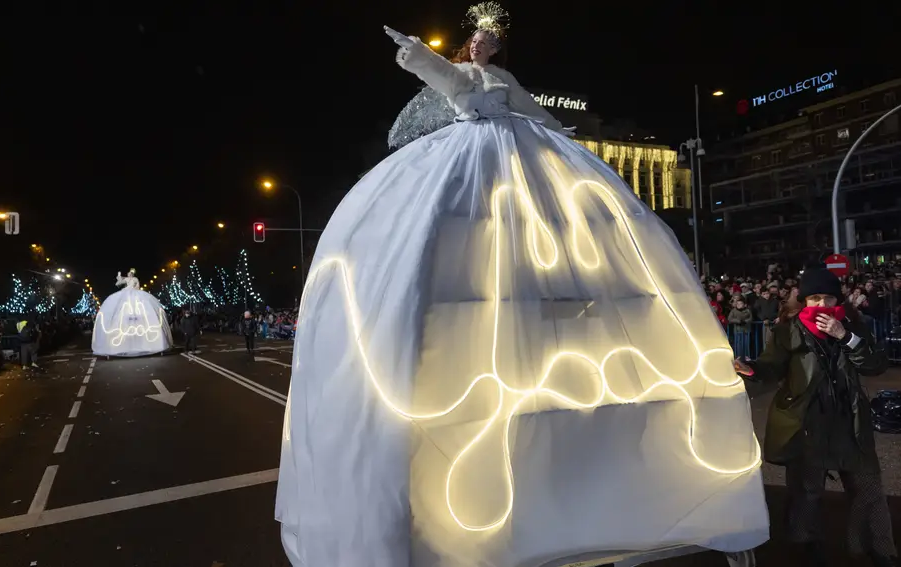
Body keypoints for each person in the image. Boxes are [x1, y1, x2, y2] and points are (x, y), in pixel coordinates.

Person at [276, 4, 768, 566]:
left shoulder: (505, 82)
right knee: (454, 238)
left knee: (556, 234)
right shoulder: (462, 80)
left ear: (496, 48)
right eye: (478, 39)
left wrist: (561, 135)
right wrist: (419, 57)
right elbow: (446, 80)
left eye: (491, 40)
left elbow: (535, 112)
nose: (483, 46)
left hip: (528, 160)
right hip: (470, 164)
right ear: (470, 45)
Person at [735, 267, 897, 567]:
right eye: (814, 298)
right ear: (804, 300)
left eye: (827, 297)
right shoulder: (787, 330)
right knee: (806, 491)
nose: (821, 305)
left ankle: (878, 548)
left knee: (868, 487)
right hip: (807, 422)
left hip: (850, 422)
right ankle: (807, 545)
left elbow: (875, 364)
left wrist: (845, 337)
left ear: (838, 299)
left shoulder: (853, 325)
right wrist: (753, 369)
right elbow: (772, 367)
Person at [92, 269, 173, 357]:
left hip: (134, 292)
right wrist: (119, 276)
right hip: (126, 291)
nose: (129, 274)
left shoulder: (135, 279)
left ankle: (154, 344)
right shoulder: (127, 279)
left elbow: (137, 286)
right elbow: (118, 283)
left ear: (132, 274)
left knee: (139, 308)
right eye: (128, 273)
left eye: (130, 273)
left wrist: (134, 289)